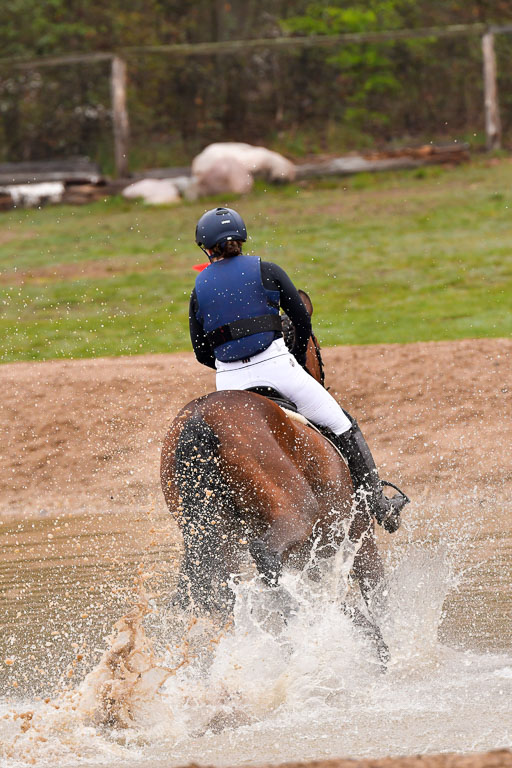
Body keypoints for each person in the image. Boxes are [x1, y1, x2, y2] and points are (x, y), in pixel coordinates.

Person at [189, 206, 409, 532]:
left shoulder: (198, 289)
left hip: (230, 384)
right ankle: (379, 505)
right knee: (343, 425)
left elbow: (200, 351)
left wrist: (230, 363)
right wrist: (289, 352)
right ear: (242, 240)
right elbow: (301, 322)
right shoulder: (268, 270)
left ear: (206, 248)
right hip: (279, 369)